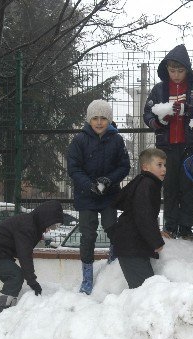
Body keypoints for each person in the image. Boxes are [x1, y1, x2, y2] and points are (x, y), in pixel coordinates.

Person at [143, 44, 193, 240]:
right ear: (166, 69)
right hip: (166, 147)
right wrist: (160, 121)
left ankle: (186, 229)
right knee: (169, 187)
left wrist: (189, 110)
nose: (176, 75)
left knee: (188, 187)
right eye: (172, 70)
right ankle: (170, 228)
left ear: (187, 70)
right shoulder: (159, 89)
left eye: (180, 70)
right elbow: (147, 114)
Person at [66, 99, 131, 295]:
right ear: (89, 120)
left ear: (109, 120)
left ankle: (114, 256)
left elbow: (124, 166)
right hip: (86, 196)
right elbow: (74, 168)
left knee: (112, 226)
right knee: (88, 235)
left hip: (109, 195)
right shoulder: (79, 140)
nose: (99, 122)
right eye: (95, 118)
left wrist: (108, 180)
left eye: (104, 118)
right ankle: (87, 275)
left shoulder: (117, 140)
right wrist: (89, 185)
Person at [0, 200, 64, 317]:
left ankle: (7, 308)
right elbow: (25, 255)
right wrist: (32, 281)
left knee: (13, 279)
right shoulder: (27, 226)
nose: (52, 229)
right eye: (52, 225)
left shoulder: (33, 225)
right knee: (16, 275)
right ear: (45, 218)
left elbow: (22, 251)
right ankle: (2, 310)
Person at [108, 148, 167, 289]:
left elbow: (138, 212)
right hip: (131, 247)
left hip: (132, 244)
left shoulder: (143, 182)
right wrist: (156, 242)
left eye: (165, 165)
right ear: (145, 167)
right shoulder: (147, 184)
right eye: (159, 165)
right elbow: (143, 215)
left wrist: (155, 234)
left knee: (145, 290)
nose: (164, 169)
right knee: (144, 291)